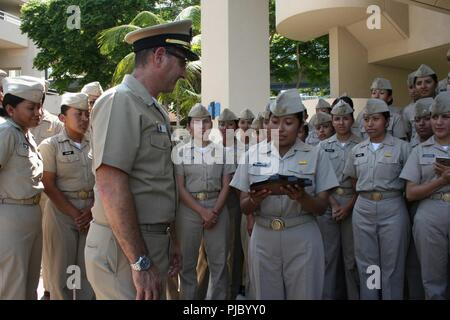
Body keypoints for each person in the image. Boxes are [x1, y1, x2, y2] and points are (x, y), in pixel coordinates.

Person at [85, 20, 198, 300]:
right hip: (126, 250)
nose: (184, 72)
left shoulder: (150, 107)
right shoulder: (120, 102)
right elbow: (110, 184)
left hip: (146, 242)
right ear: (159, 56)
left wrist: (167, 238)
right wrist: (140, 261)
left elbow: (153, 182)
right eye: (181, 61)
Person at [230, 89, 339, 299]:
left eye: (288, 122)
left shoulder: (316, 155)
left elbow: (321, 207)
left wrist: (302, 197)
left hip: (302, 235)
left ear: (300, 124)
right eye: (275, 121)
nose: (280, 129)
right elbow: (244, 206)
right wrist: (255, 199)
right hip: (264, 236)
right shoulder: (252, 155)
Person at [344, 99, 411, 299]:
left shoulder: (403, 147)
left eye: (375, 119)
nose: (370, 124)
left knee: (393, 263)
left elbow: (410, 182)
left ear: (387, 121)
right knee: (367, 263)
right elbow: (354, 180)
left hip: (392, 206)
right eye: (367, 119)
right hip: (363, 207)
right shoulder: (357, 150)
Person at [174, 104, 234, 300]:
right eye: (196, 122)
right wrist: (202, 211)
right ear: (189, 126)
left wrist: (214, 212)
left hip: (217, 206)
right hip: (189, 210)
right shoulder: (179, 152)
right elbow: (180, 188)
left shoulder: (223, 152)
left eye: (206, 121)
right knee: (187, 264)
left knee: (219, 263)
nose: (202, 125)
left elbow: (226, 185)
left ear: (211, 124)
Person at [38, 92, 94, 300]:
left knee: (86, 270)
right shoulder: (50, 145)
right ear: (62, 118)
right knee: (63, 269)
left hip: (90, 212)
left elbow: (103, 180)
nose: (84, 119)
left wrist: (90, 211)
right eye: (78, 114)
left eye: (87, 114)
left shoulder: (94, 144)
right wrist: (74, 213)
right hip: (62, 213)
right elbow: (48, 184)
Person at [400, 92, 450, 300]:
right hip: (430, 214)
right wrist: (441, 181)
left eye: (445, 116)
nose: (438, 122)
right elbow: (410, 193)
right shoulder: (419, 150)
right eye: (434, 116)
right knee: (433, 278)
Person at [0, 76, 45, 299]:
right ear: (10, 109)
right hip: (10, 216)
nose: (38, 112)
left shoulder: (26, 134)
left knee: (29, 283)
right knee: (12, 284)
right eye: (31, 108)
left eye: (39, 106)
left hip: (31, 214)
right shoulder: (6, 132)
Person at [318, 100, 361, 300]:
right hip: (329, 205)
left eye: (345, 118)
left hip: (354, 206)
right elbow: (319, 179)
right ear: (332, 121)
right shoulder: (322, 146)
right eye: (337, 119)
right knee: (328, 258)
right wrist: (335, 205)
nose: (341, 122)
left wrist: (347, 208)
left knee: (352, 260)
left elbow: (363, 183)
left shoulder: (362, 144)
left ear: (352, 119)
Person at [403, 97, 434, 300]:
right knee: (414, 264)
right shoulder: (409, 148)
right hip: (412, 211)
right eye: (417, 120)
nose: (421, 123)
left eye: (426, 118)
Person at [402, 72, 422, 142]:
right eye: (410, 87)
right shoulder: (407, 110)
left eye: (416, 87)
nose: (413, 91)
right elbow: (408, 133)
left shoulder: (433, 104)